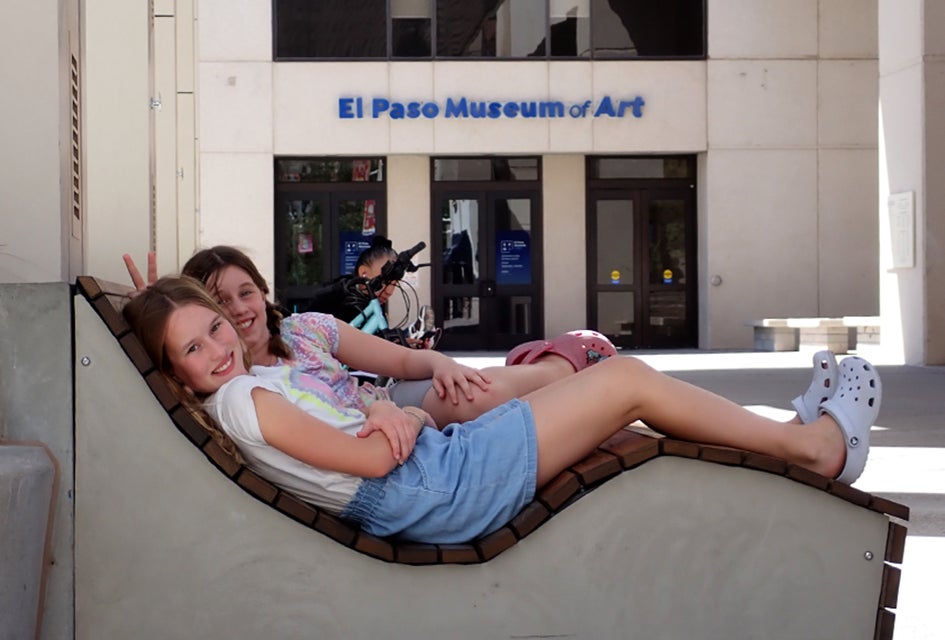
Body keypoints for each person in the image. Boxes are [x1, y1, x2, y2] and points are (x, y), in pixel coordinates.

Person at [123, 276, 881, 544]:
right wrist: (406, 419)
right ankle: (811, 447)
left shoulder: (245, 387)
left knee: (613, 409)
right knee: (628, 383)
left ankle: (786, 442)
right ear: (178, 374)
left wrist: (400, 417)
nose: (217, 346)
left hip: (436, 475)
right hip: (438, 491)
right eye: (191, 349)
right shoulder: (248, 401)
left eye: (215, 325)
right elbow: (376, 457)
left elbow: (379, 433)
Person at [123, 247, 619, 427]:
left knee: (471, 391)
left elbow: (400, 363)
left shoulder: (305, 329)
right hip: (373, 430)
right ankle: (565, 370)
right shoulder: (226, 377)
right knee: (481, 402)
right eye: (218, 302)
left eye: (245, 292)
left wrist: (441, 363)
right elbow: (174, 364)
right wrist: (157, 317)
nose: (237, 310)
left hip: (384, 399)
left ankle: (557, 365)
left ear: (263, 291)